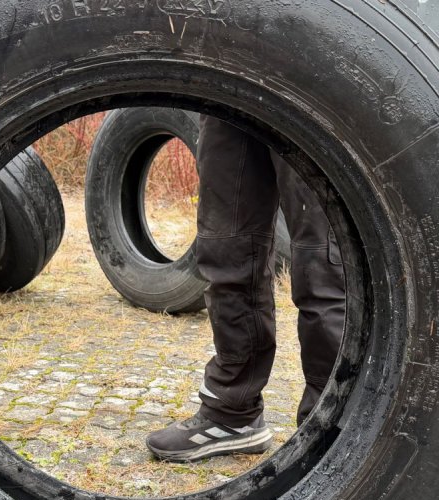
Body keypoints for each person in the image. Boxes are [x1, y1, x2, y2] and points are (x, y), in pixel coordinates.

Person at [146, 115, 347, 462]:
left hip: (305, 83)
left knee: (322, 263)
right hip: (230, 80)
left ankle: (329, 423)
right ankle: (233, 411)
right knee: (226, 250)